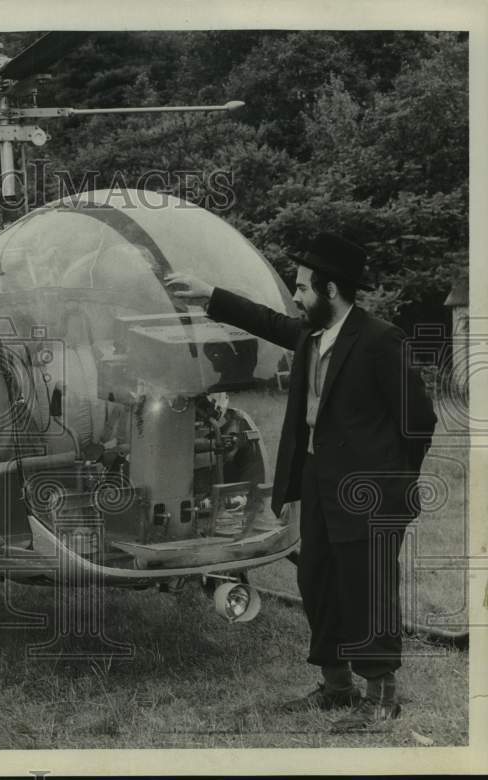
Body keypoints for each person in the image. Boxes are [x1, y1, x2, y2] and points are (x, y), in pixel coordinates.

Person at [166, 233, 437, 732]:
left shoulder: (380, 339)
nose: (294, 295)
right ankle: (336, 688)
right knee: (318, 583)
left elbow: (418, 420)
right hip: (316, 483)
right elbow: (268, 322)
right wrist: (211, 295)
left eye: (301, 287)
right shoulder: (312, 336)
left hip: (368, 492)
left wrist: (394, 487)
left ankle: (381, 697)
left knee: (368, 588)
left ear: (329, 289)